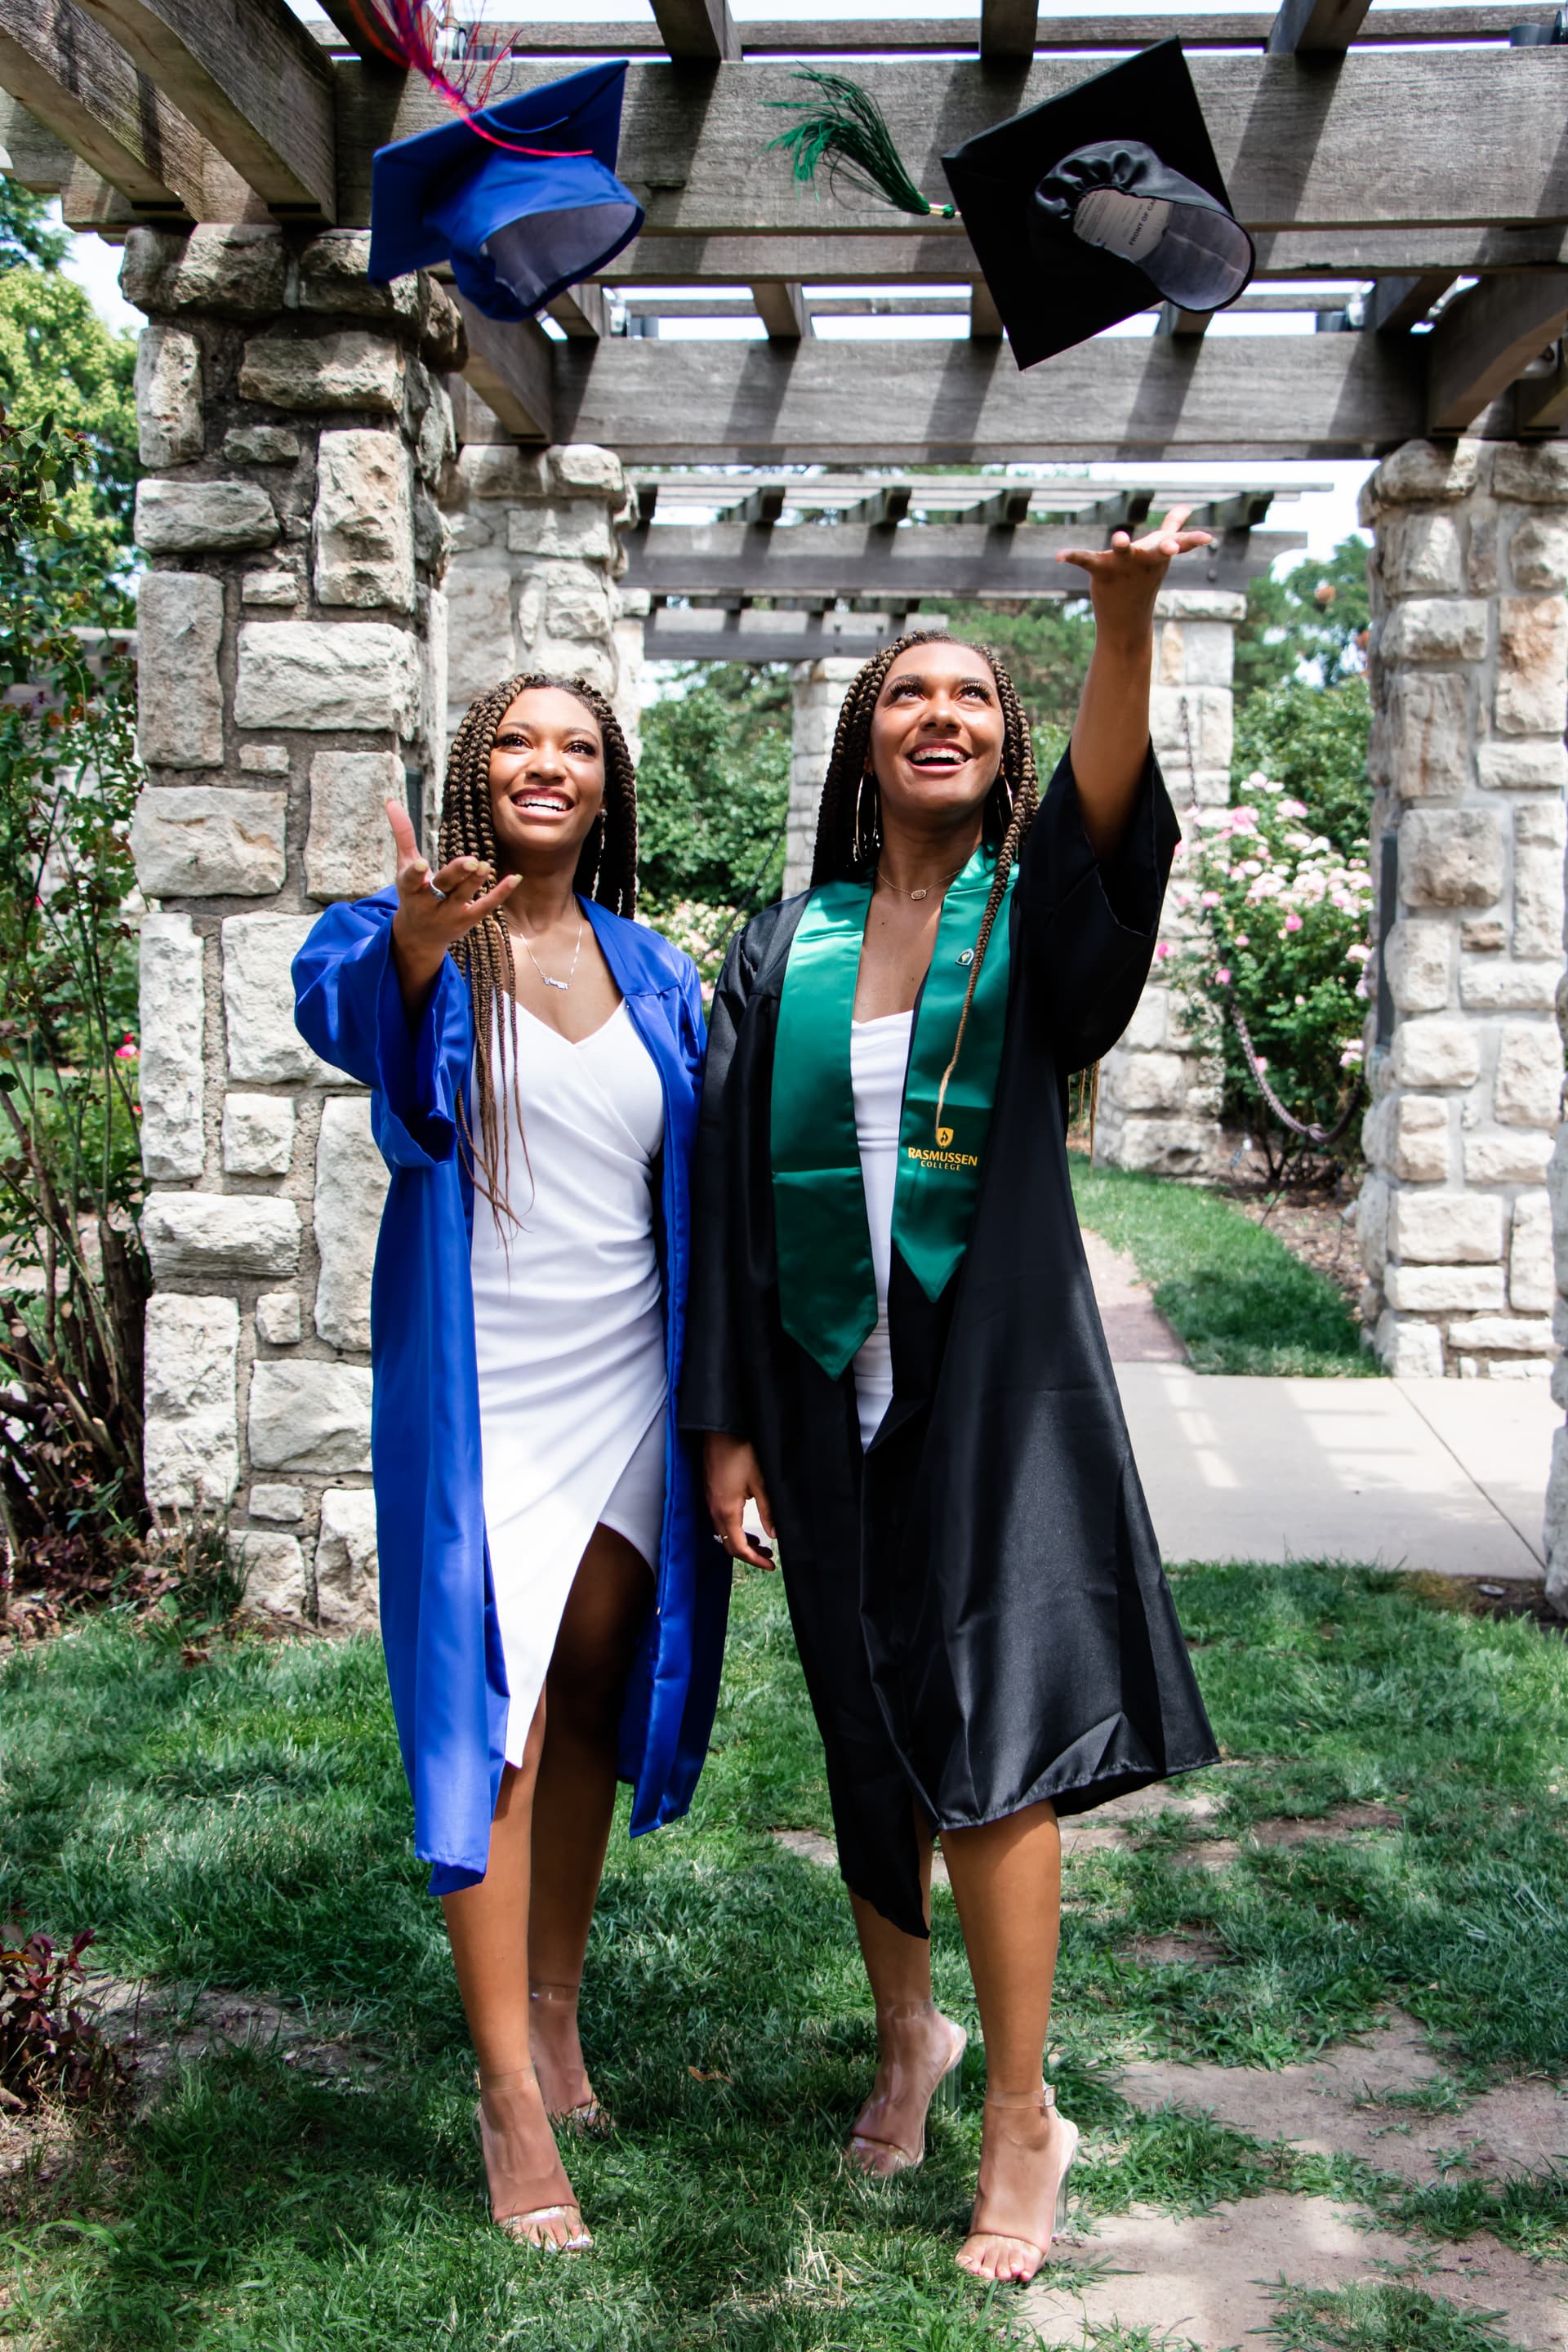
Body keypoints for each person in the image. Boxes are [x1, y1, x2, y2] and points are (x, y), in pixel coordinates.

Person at [682, 513, 1221, 2286]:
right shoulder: (787, 946)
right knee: (865, 1722)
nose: (940, 714)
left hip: (991, 1388)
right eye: (907, 693)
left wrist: (1121, 630)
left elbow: (1101, 847)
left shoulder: (1029, 926)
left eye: (973, 697)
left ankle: (1021, 2111)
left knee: (992, 1737)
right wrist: (732, 1425)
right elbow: (732, 1209)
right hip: (827, 1388)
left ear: (1001, 742)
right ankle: (904, 2031)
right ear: (866, 740)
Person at [294, 673, 726, 2255]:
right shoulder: (421, 937)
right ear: (476, 772)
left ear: (608, 788)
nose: (549, 762)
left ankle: (556, 2009)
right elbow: (350, 1012)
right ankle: (505, 2093)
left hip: (626, 1381)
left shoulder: (655, 971)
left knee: (601, 1685)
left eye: (581, 744)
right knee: (499, 1723)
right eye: (518, 740)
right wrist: (417, 935)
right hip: (485, 1396)